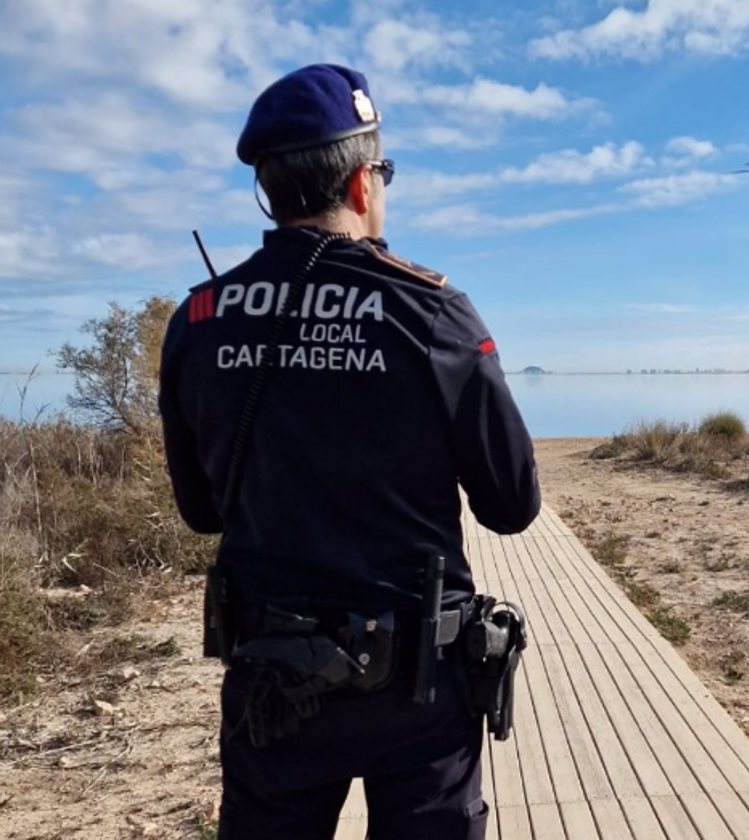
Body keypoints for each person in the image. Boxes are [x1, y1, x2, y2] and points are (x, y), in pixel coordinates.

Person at [158, 63, 541, 840]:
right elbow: (512, 505)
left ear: (269, 190)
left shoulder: (199, 318)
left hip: (273, 682)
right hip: (418, 692)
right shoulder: (431, 312)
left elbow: (201, 513)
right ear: (364, 183)